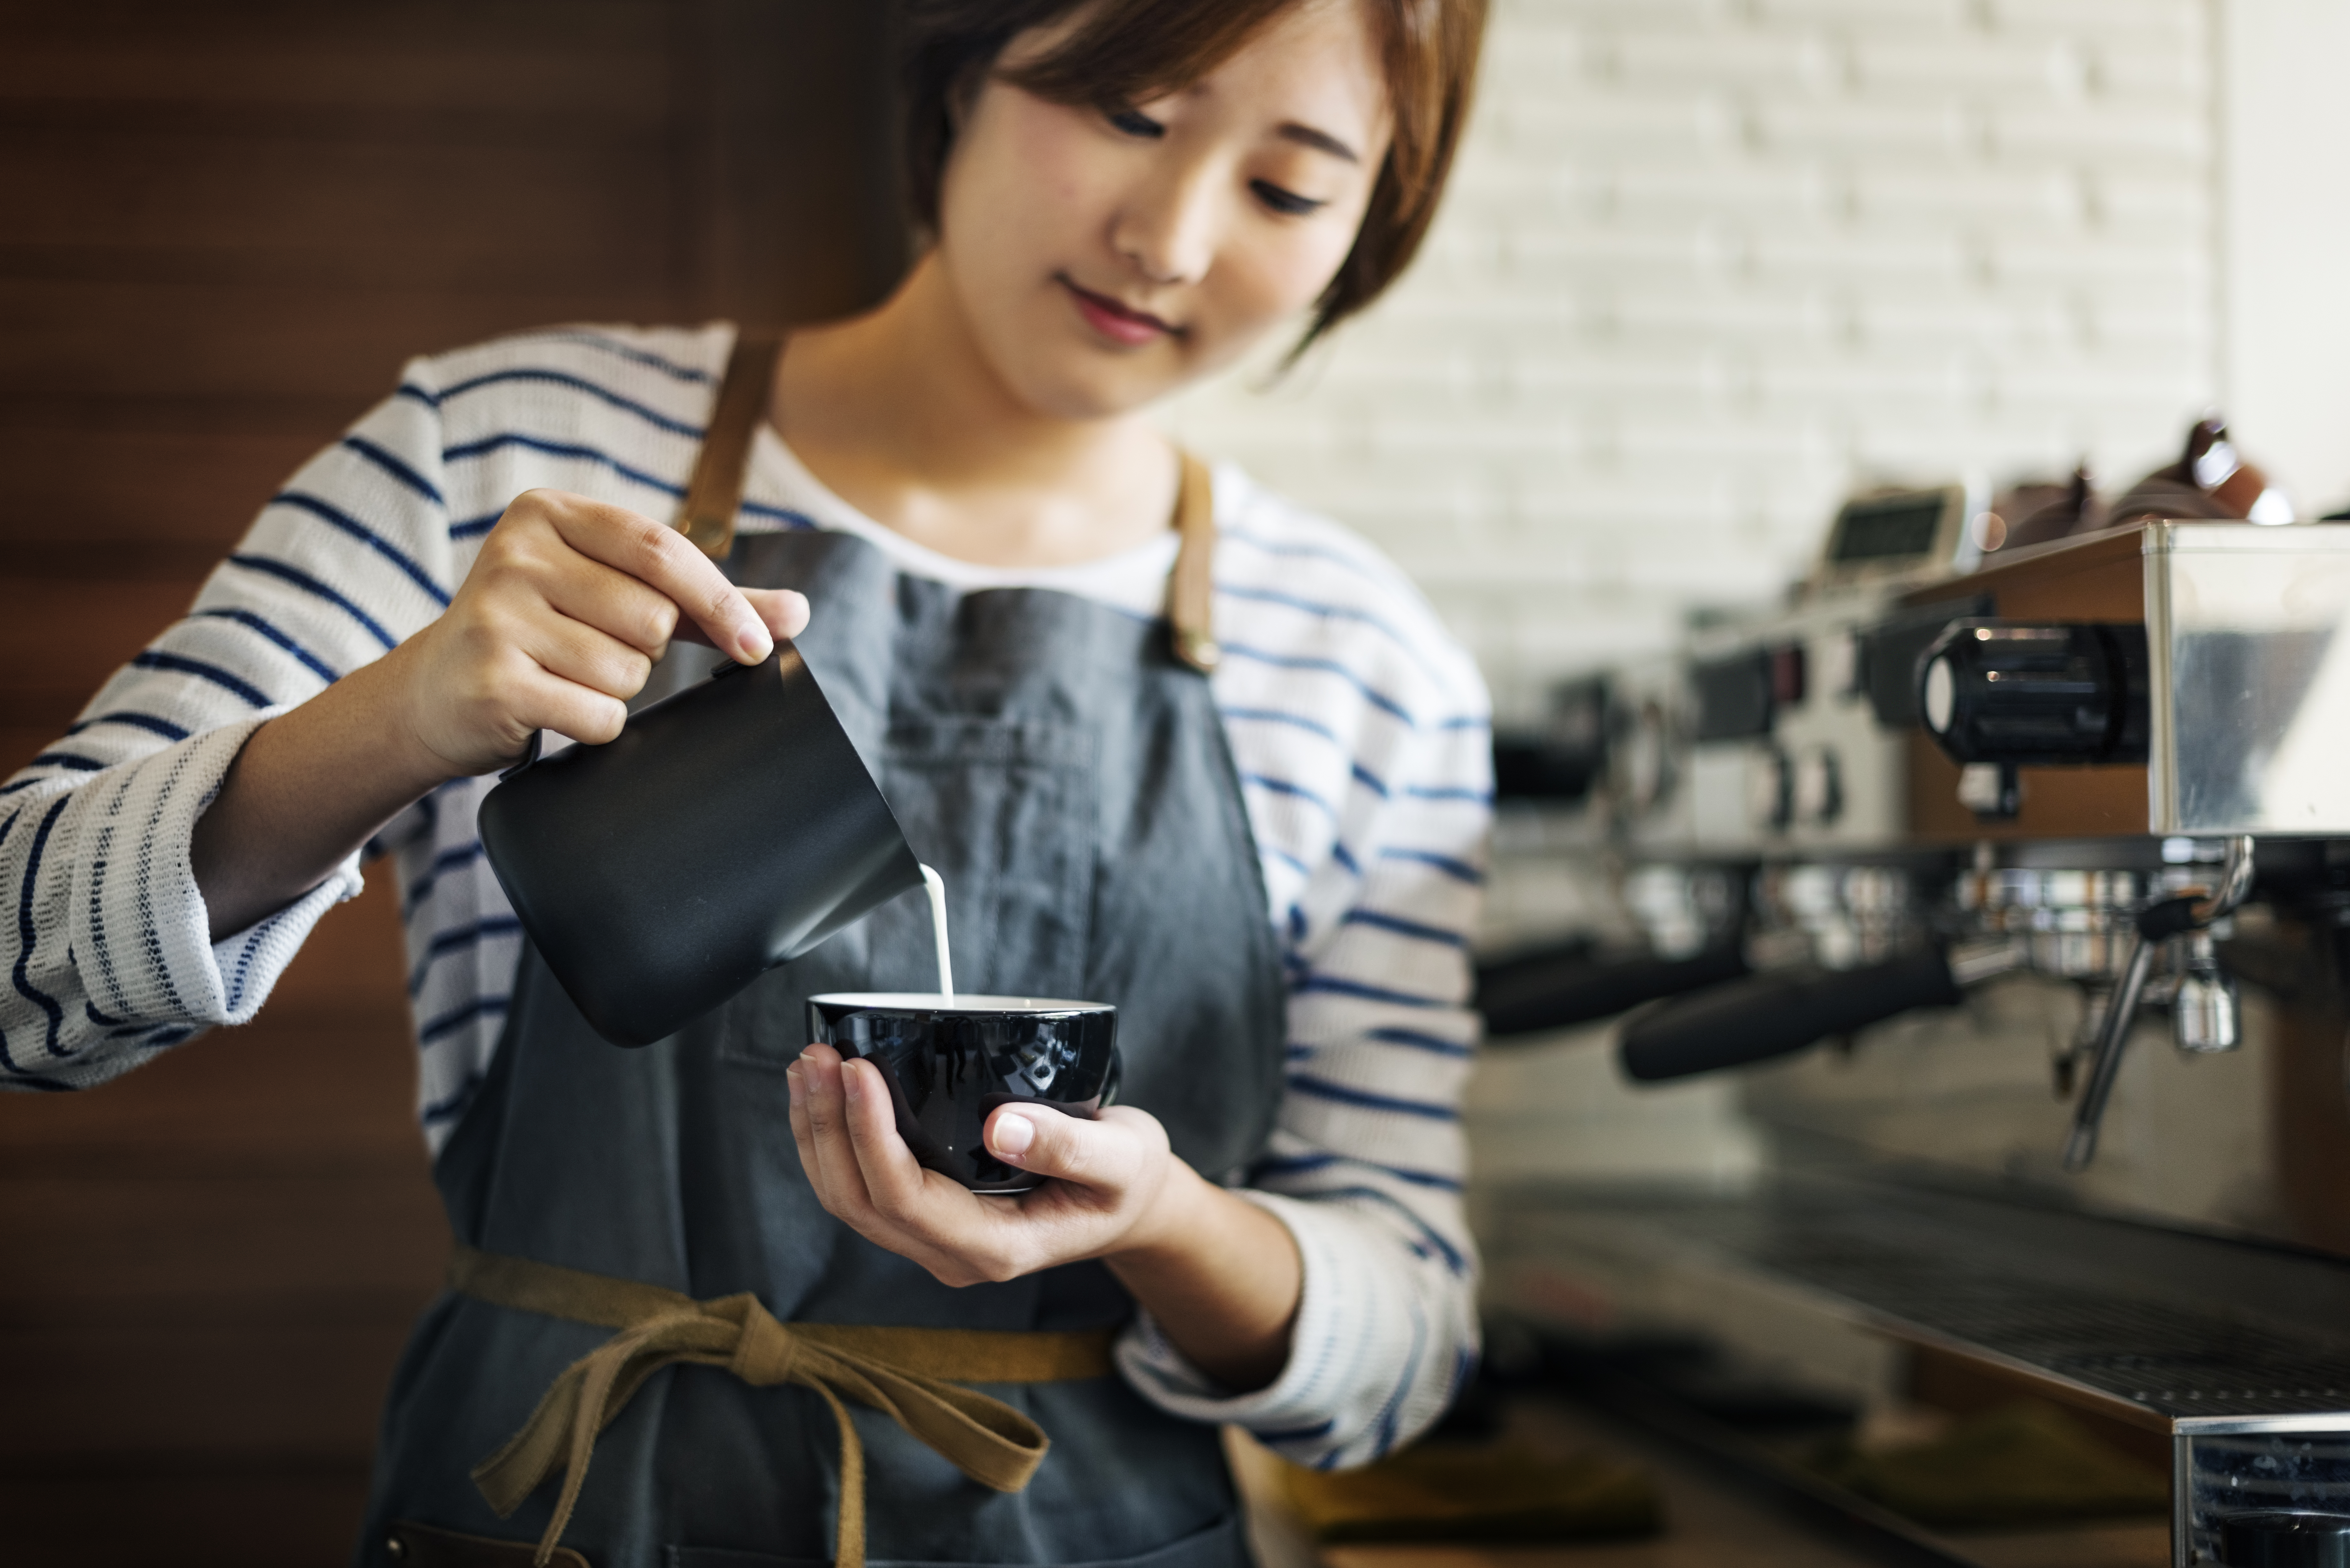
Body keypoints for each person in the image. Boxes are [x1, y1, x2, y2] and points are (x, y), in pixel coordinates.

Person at [0, 0, 1494, 1563]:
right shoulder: (501, 451)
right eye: (1127, 111)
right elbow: (19, 977)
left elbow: (1407, 1347)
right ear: (963, 61)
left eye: (1287, 188)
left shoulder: (1363, 666)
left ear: (1370, 226)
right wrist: (399, 718)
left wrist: (1168, 1224)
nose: (1170, 239)